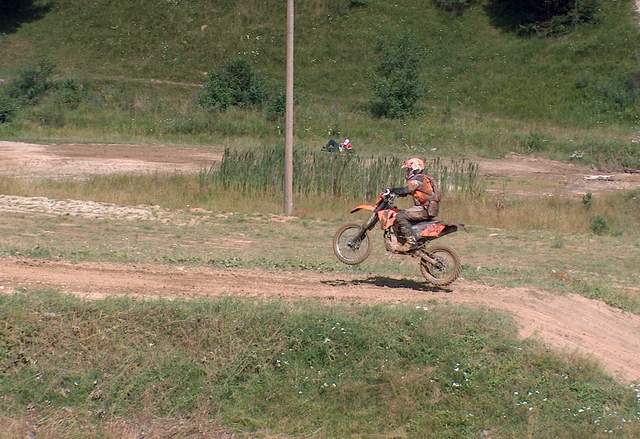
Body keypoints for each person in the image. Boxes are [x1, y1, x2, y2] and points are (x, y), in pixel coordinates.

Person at [388, 157, 440, 250]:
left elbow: (407, 189)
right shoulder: (423, 178)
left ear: (414, 168)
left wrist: (392, 190)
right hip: (427, 208)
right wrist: (398, 193)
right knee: (402, 213)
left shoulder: (418, 178)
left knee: (399, 216)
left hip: (425, 209)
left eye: (408, 169)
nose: (407, 172)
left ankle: (411, 242)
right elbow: (411, 191)